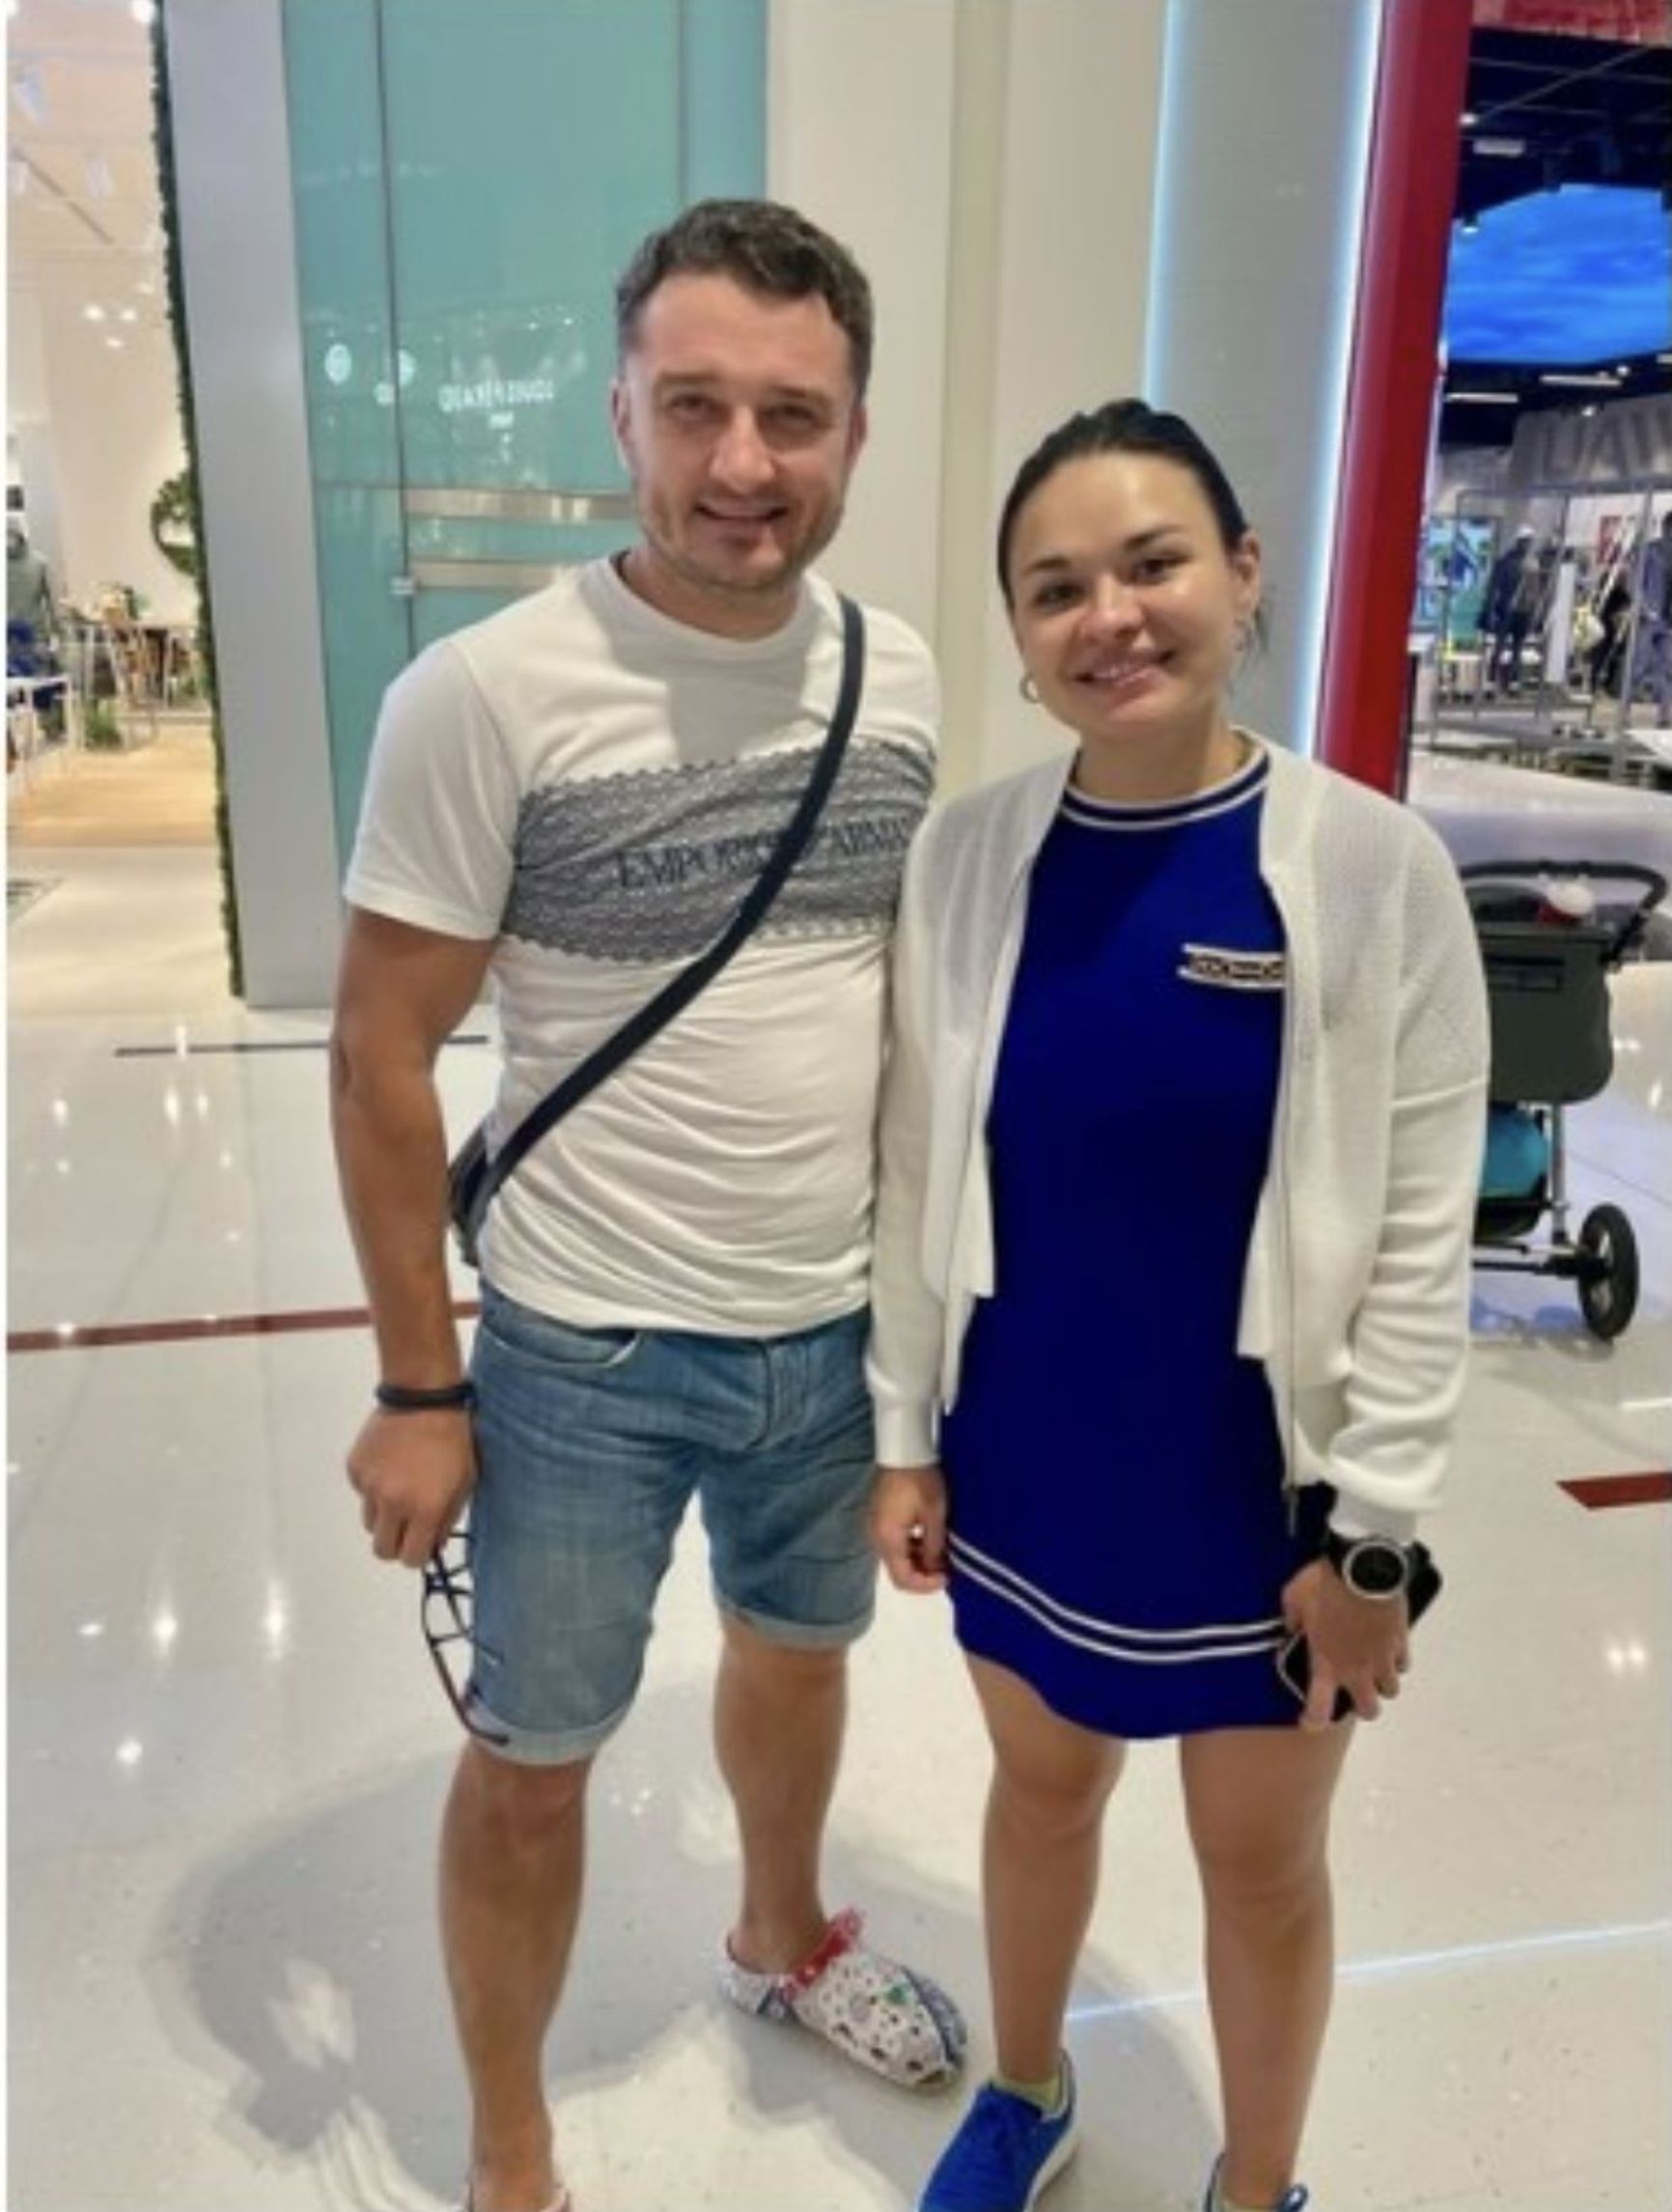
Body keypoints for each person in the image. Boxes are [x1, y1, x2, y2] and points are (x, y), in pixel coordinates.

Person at [331, 198, 964, 2212]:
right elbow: (378, 1054)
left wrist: (919, 1357)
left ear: (856, 429)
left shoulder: (898, 678)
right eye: (692, 406)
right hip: (577, 1353)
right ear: (620, 411)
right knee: (533, 1759)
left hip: (824, 1337)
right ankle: (510, 2142)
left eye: (792, 413)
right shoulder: (485, 691)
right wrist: (419, 1386)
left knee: (797, 1655)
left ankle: (778, 1935)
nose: (740, 462)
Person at [868, 399, 1489, 2212]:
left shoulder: (1369, 868)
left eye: (1151, 563)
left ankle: (1256, 2184)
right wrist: (903, 1433)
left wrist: (1372, 1537)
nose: (1109, 616)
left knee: (1262, 1869)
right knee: (1040, 1797)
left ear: (1242, 570)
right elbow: (915, 1161)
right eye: (1056, 587)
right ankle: (1026, 2090)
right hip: (1026, 1454)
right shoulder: (969, 857)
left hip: (1259, 1502)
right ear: (1018, 630)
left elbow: (1422, 1232)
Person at [1627, 510, 1672, 722]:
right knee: (1638, 666)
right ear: (1665, 528)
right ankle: (1625, 711)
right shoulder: (1649, 551)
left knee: (1667, 668)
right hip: (1649, 617)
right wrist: (1643, 608)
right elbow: (1633, 582)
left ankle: (1664, 715)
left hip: (1668, 619)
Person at [1483, 521, 1533, 692]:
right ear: (1519, 541)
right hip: (1507, 609)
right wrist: (1491, 609)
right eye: (1525, 541)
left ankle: (1511, 681)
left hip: (1519, 611)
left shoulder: (1528, 563)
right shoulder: (1507, 561)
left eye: (1529, 541)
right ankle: (1493, 680)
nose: (1527, 544)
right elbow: (1494, 586)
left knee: (1516, 648)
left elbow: (1533, 590)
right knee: (1502, 645)